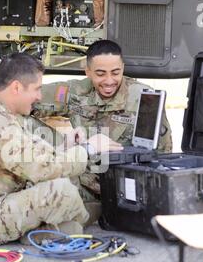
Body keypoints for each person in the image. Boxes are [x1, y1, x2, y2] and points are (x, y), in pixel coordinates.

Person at [0, 52, 122, 245]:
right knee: (60, 192)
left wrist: (66, 147)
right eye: (36, 89)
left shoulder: (0, 109)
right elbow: (41, 167)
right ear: (17, 87)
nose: (38, 96)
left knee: (64, 193)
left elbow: (33, 152)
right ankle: (87, 217)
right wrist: (88, 148)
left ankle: (61, 224)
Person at [31, 40, 173, 222]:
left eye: (116, 73)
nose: (109, 81)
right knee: (25, 121)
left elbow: (164, 155)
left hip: (120, 188)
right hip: (80, 176)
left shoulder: (142, 98)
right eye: (100, 74)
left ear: (122, 68)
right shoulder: (77, 91)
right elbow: (23, 96)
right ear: (87, 71)